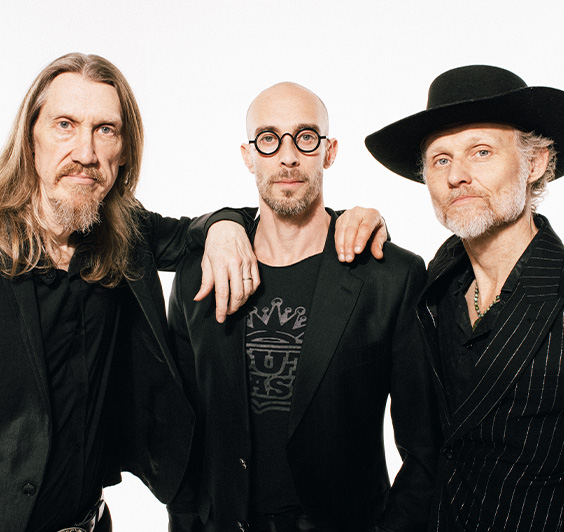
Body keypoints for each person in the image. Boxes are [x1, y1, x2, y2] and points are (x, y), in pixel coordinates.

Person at [0, 51, 265, 532]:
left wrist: (226, 225)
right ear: (31, 137)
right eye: (65, 125)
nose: (86, 153)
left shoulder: (123, 233)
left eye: (105, 130)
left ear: (123, 152)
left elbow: (194, 231)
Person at [167, 82, 440, 532]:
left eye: (306, 137)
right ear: (248, 156)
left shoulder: (391, 275)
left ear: (329, 152)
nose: (288, 156)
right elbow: (182, 437)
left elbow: (425, 449)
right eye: (269, 139)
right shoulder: (199, 275)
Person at [365, 64, 564, 531]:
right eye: (441, 160)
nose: (457, 176)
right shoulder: (436, 285)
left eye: (481, 152)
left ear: (535, 163)